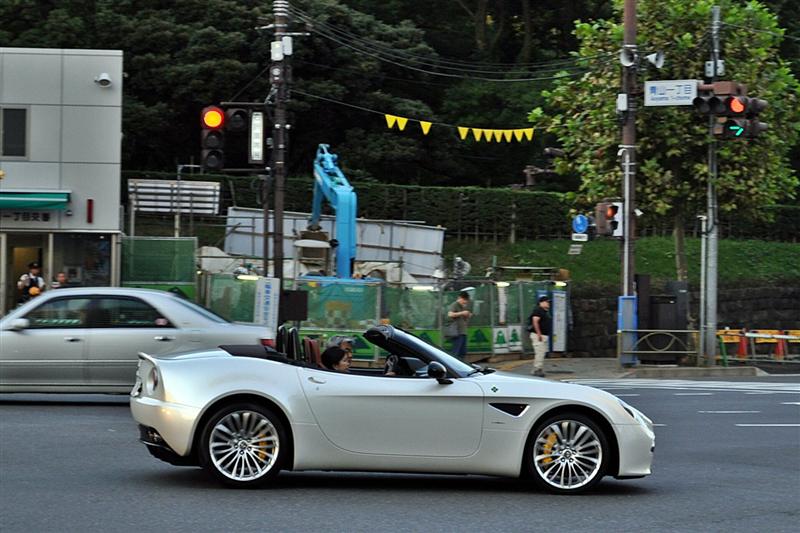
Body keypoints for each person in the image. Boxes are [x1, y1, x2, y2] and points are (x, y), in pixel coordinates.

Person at [529, 296, 552, 377]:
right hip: (538, 335)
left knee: (542, 352)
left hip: (543, 335)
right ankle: (537, 369)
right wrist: (539, 334)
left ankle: (539, 368)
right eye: (546, 302)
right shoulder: (538, 310)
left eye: (548, 302)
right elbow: (535, 321)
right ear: (541, 303)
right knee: (539, 352)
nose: (548, 303)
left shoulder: (544, 311)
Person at [447, 291, 472, 360]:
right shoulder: (454, 305)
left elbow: (462, 318)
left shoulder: (462, 306)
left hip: (463, 332)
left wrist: (467, 315)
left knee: (463, 352)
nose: (465, 302)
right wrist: (462, 313)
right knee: (456, 352)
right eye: (464, 300)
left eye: (466, 301)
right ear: (459, 298)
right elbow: (450, 314)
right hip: (457, 332)